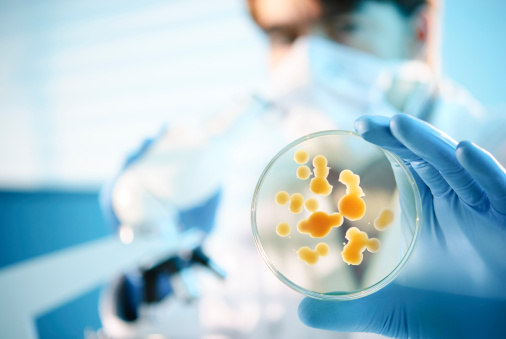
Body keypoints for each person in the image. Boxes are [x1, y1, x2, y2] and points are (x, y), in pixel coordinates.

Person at [101, 0, 506, 337]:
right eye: (284, 37)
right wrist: (149, 302)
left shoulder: (496, 146)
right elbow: (221, 324)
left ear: (418, 29)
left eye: (345, 25)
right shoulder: (264, 188)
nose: (307, 60)